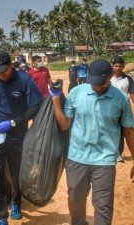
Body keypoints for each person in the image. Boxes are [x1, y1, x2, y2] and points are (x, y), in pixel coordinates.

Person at [49, 59, 134, 225]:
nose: (96, 86)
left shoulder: (121, 99)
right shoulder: (76, 93)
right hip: (77, 158)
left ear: (109, 77)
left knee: (103, 205)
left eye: (100, 83)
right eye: (93, 82)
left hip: (105, 160)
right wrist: (55, 101)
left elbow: (129, 132)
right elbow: (65, 125)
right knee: (75, 199)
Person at [0, 51, 43, 225]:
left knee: (17, 174)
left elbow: (35, 106)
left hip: (17, 137)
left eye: (4, 71)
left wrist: (14, 122)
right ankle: (1, 216)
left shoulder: (25, 80)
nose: (0, 75)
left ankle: (16, 202)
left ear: (11, 65)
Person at [110, 57, 134, 162]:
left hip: (123, 110)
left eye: (120, 66)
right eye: (116, 66)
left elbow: (132, 94)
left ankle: (118, 153)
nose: (118, 68)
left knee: (121, 132)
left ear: (123, 67)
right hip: (109, 109)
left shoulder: (128, 79)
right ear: (112, 66)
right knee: (110, 130)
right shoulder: (108, 78)